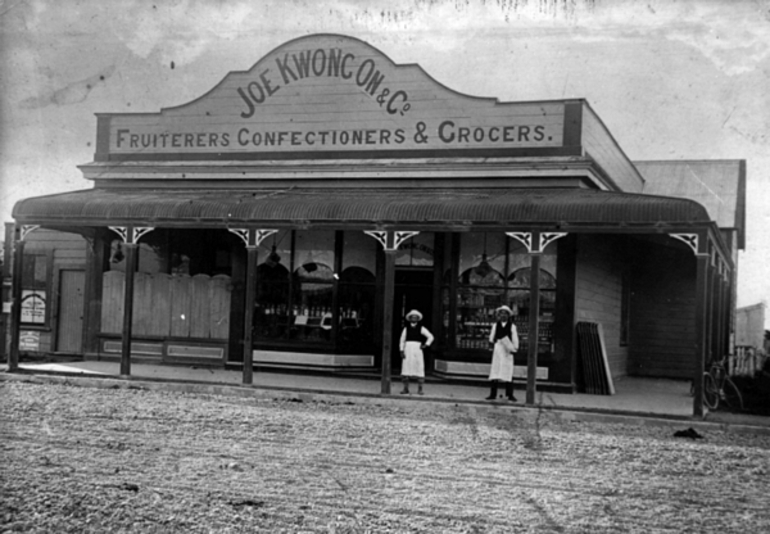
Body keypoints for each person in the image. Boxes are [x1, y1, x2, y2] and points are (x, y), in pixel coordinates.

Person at [486, 305, 519, 401]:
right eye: (501, 314)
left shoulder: (512, 326)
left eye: (505, 314)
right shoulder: (495, 326)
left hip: (507, 351)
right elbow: (491, 338)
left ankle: (510, 394)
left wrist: (513, 348)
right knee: (495, 371)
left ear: (508, 316)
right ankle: (493, 394)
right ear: (499, 315)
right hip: (498, 349)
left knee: (508, 372)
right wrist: (496, 340)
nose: (503, 316)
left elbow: (515, 340)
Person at [399, 309, 434, 395]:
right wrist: (401, 350)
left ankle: (420, 389)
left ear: (418, 319)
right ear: (410, 319)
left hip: (417, 350)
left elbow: (430, 336)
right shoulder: (406, 329)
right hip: (408, 349)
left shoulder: (421, 328)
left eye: (415, 318)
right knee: (406, 369)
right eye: (412, 317)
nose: (414, 319)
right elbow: (402, 340)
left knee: (419, 368)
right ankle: (405, 388)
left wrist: (426, 345)